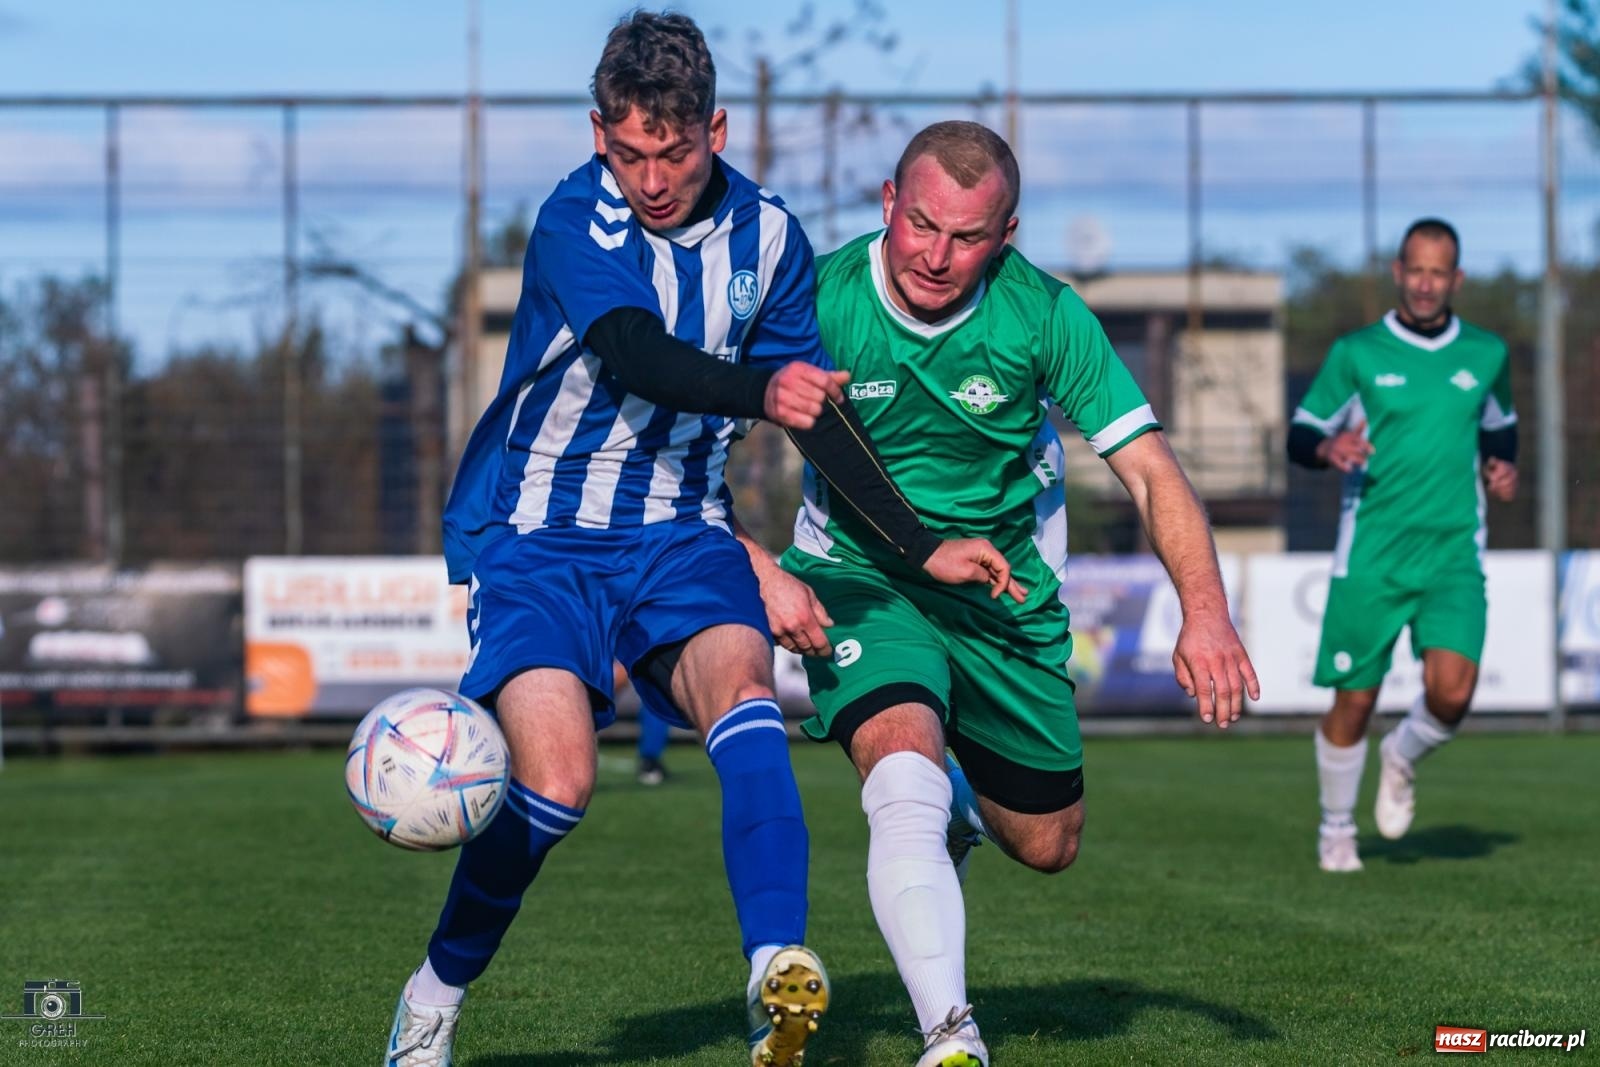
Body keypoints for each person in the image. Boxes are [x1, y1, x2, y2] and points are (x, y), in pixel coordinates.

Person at [384, 17, 1024, 1067]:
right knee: (556, 782)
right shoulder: (572, 219)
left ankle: (775, 968)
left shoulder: (770, 239)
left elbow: (816, 414)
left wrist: (920, 545)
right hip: (543, 534)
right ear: (600, 134)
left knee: (745, 697)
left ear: (714, 129)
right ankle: (434, 992)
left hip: (680, 525)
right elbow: (635, 352)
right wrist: (757, 388)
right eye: (629, 151)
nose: (651, 177)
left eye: (673, 153)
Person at [734, 121, 1259, 1067]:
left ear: (1006, 233)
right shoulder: (816, 300)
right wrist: (755, 560)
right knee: (900, 768)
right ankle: (951, 1034)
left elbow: (1148, 471)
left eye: (967, 237)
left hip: (1002, 596)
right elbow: (690, 446)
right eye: (921, 224)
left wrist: (1207, 610)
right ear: (888, 205)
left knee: (1049, 841)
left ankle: (959, 809)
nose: (938, 255)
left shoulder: (1046, 316)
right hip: (858, 579)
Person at [1287, 218, 1518, 873]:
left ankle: (1402, 755)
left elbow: (1502, 431)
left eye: (1437, 272)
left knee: (1452, 692)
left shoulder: (1486, 353)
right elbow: (1302, 432)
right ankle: (1336, 828)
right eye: (1414, 269)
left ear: (1456, 279)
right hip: (1372, 555)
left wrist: (1504, 469)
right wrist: (1329, 446)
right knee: (1354, 699)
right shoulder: (1358, 353)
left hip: (1452, 553)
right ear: (1397, 271)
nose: (1424, 282)